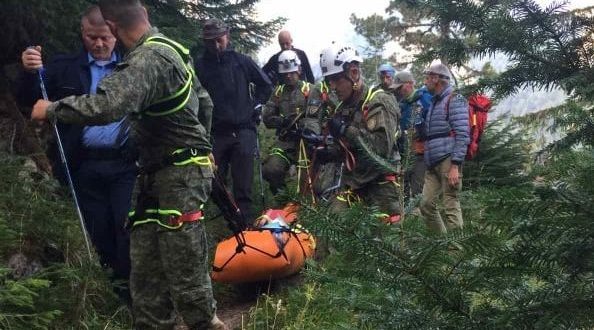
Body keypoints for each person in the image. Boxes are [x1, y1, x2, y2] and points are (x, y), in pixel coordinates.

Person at [30, 1, 227, 328]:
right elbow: (203, 101)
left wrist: (50, 109)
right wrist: (205, 145)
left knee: (184, 267)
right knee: (145, 268)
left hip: (178, 177)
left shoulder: (149, 59)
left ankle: (206, 324)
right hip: (154, 175)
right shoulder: (170, 49)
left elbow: (108, 105)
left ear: (113, 26)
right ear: (145, 14)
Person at [18, 5, 135, 306]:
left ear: (115, 34)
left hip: (125, 164)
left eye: (104, 38)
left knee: (128, 231)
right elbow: (31, 100)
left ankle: (139, 298)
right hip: (82, 165)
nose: (98, 44)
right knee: (99, 233)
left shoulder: (132, 67)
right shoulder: (64, 66)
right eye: (91, 37)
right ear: (83, 33)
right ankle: (116, 299)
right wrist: (29, 71)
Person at [195, 18, 272, 224]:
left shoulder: (241, 61)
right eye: (210, 42)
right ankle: (230, 217)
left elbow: (266, 85)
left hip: (244, 129)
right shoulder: (200, 66)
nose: (215, 45)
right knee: (212, 180)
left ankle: (244, 229)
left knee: (243, 186)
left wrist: (256, 105)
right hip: (216, 133)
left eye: (219, 40)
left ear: (226, 36)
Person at [318, 44, 402, 224]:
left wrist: (346, 130)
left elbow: (380, 148)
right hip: (354, 185)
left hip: (381, 187)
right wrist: (327, 153)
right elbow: (348, 151)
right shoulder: (342, 108)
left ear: (354, 73)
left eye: (335, 79)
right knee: (331, 228)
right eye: (328, 81)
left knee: (387, 244)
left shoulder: (379, 101)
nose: (332, 87)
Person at [261, 49, 322, 195]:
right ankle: (283, 198)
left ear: (299, 70)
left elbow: (315, 118)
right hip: (285, 141)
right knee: (270, 170)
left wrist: (305, 128)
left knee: (306, 181)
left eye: (291, 72)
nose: (288, 76)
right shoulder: (277, 92)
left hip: (306, 142)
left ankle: (306, 207)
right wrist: (281, 121)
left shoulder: (311, 90)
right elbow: (267, 118)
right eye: (285, 73)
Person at [419, 62, 469, 234]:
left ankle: (456, 253)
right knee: (425, 204)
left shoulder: (455, 99)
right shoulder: (435, 101)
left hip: (449, 160)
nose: (425, 82)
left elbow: (463, 134)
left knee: (450, 204)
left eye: (427, 78)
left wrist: (455, 165)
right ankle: (441, 245)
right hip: (432, 161)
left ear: (436, 79)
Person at [392, 71, 432, 202]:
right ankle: (407, 219)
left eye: (400, 87)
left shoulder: (425, 98)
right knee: (403, 189)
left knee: (417, 191)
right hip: (405, 153)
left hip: (421, 153)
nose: (398, 91)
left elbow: (434, 122)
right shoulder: (402, 105)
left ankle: (419, 219)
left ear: (409, 84)